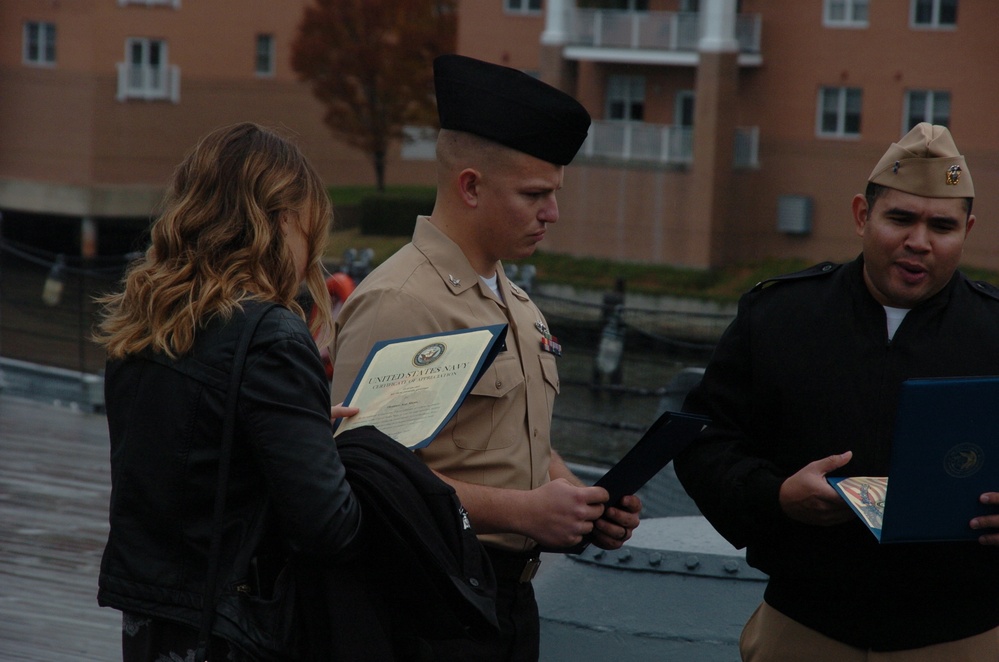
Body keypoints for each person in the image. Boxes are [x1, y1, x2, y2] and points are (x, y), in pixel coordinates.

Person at [330, 54, 642, 661]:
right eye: (534, 194)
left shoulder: (516, 303)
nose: (552, 213)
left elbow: (515, 440)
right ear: (470, 185)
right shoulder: (401, 301)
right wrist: (527, 511)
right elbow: (361, 478)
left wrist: (578, 502)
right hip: (426, 604)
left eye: (553, 194)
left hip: (507, 603)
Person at [675, 122, 999, 660]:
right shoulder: (780, 316)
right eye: (900, 218)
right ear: (861, 216)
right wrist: (777, 496)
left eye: (941, 225)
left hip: (961, 633)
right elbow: (705, 440)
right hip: (807, 625)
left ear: (967, 230)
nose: (918, 241)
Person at [93, 122, 367, 661]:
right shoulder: (271, 335)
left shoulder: (145, 320)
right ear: (283, 219)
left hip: (152, 620)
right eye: (310, 228)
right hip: (231, 631)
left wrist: (301, 426)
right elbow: (330, 527)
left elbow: (187, 458)